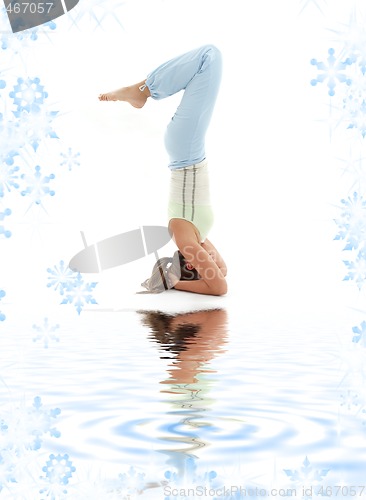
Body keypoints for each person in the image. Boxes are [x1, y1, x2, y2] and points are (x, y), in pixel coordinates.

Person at [99, 45, 227, 296]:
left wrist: (170, 281)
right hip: (189, 149)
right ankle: (142, 90)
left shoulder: (183, 238)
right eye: (199, 266)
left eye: (190, 265)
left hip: (185, 149)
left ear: (185, 261)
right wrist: (173, 281)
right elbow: (222, 274)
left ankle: (142, 90)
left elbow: (219, 287)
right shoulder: (197, 238)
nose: (199, 261)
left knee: (209, 56)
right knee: (208, 59)